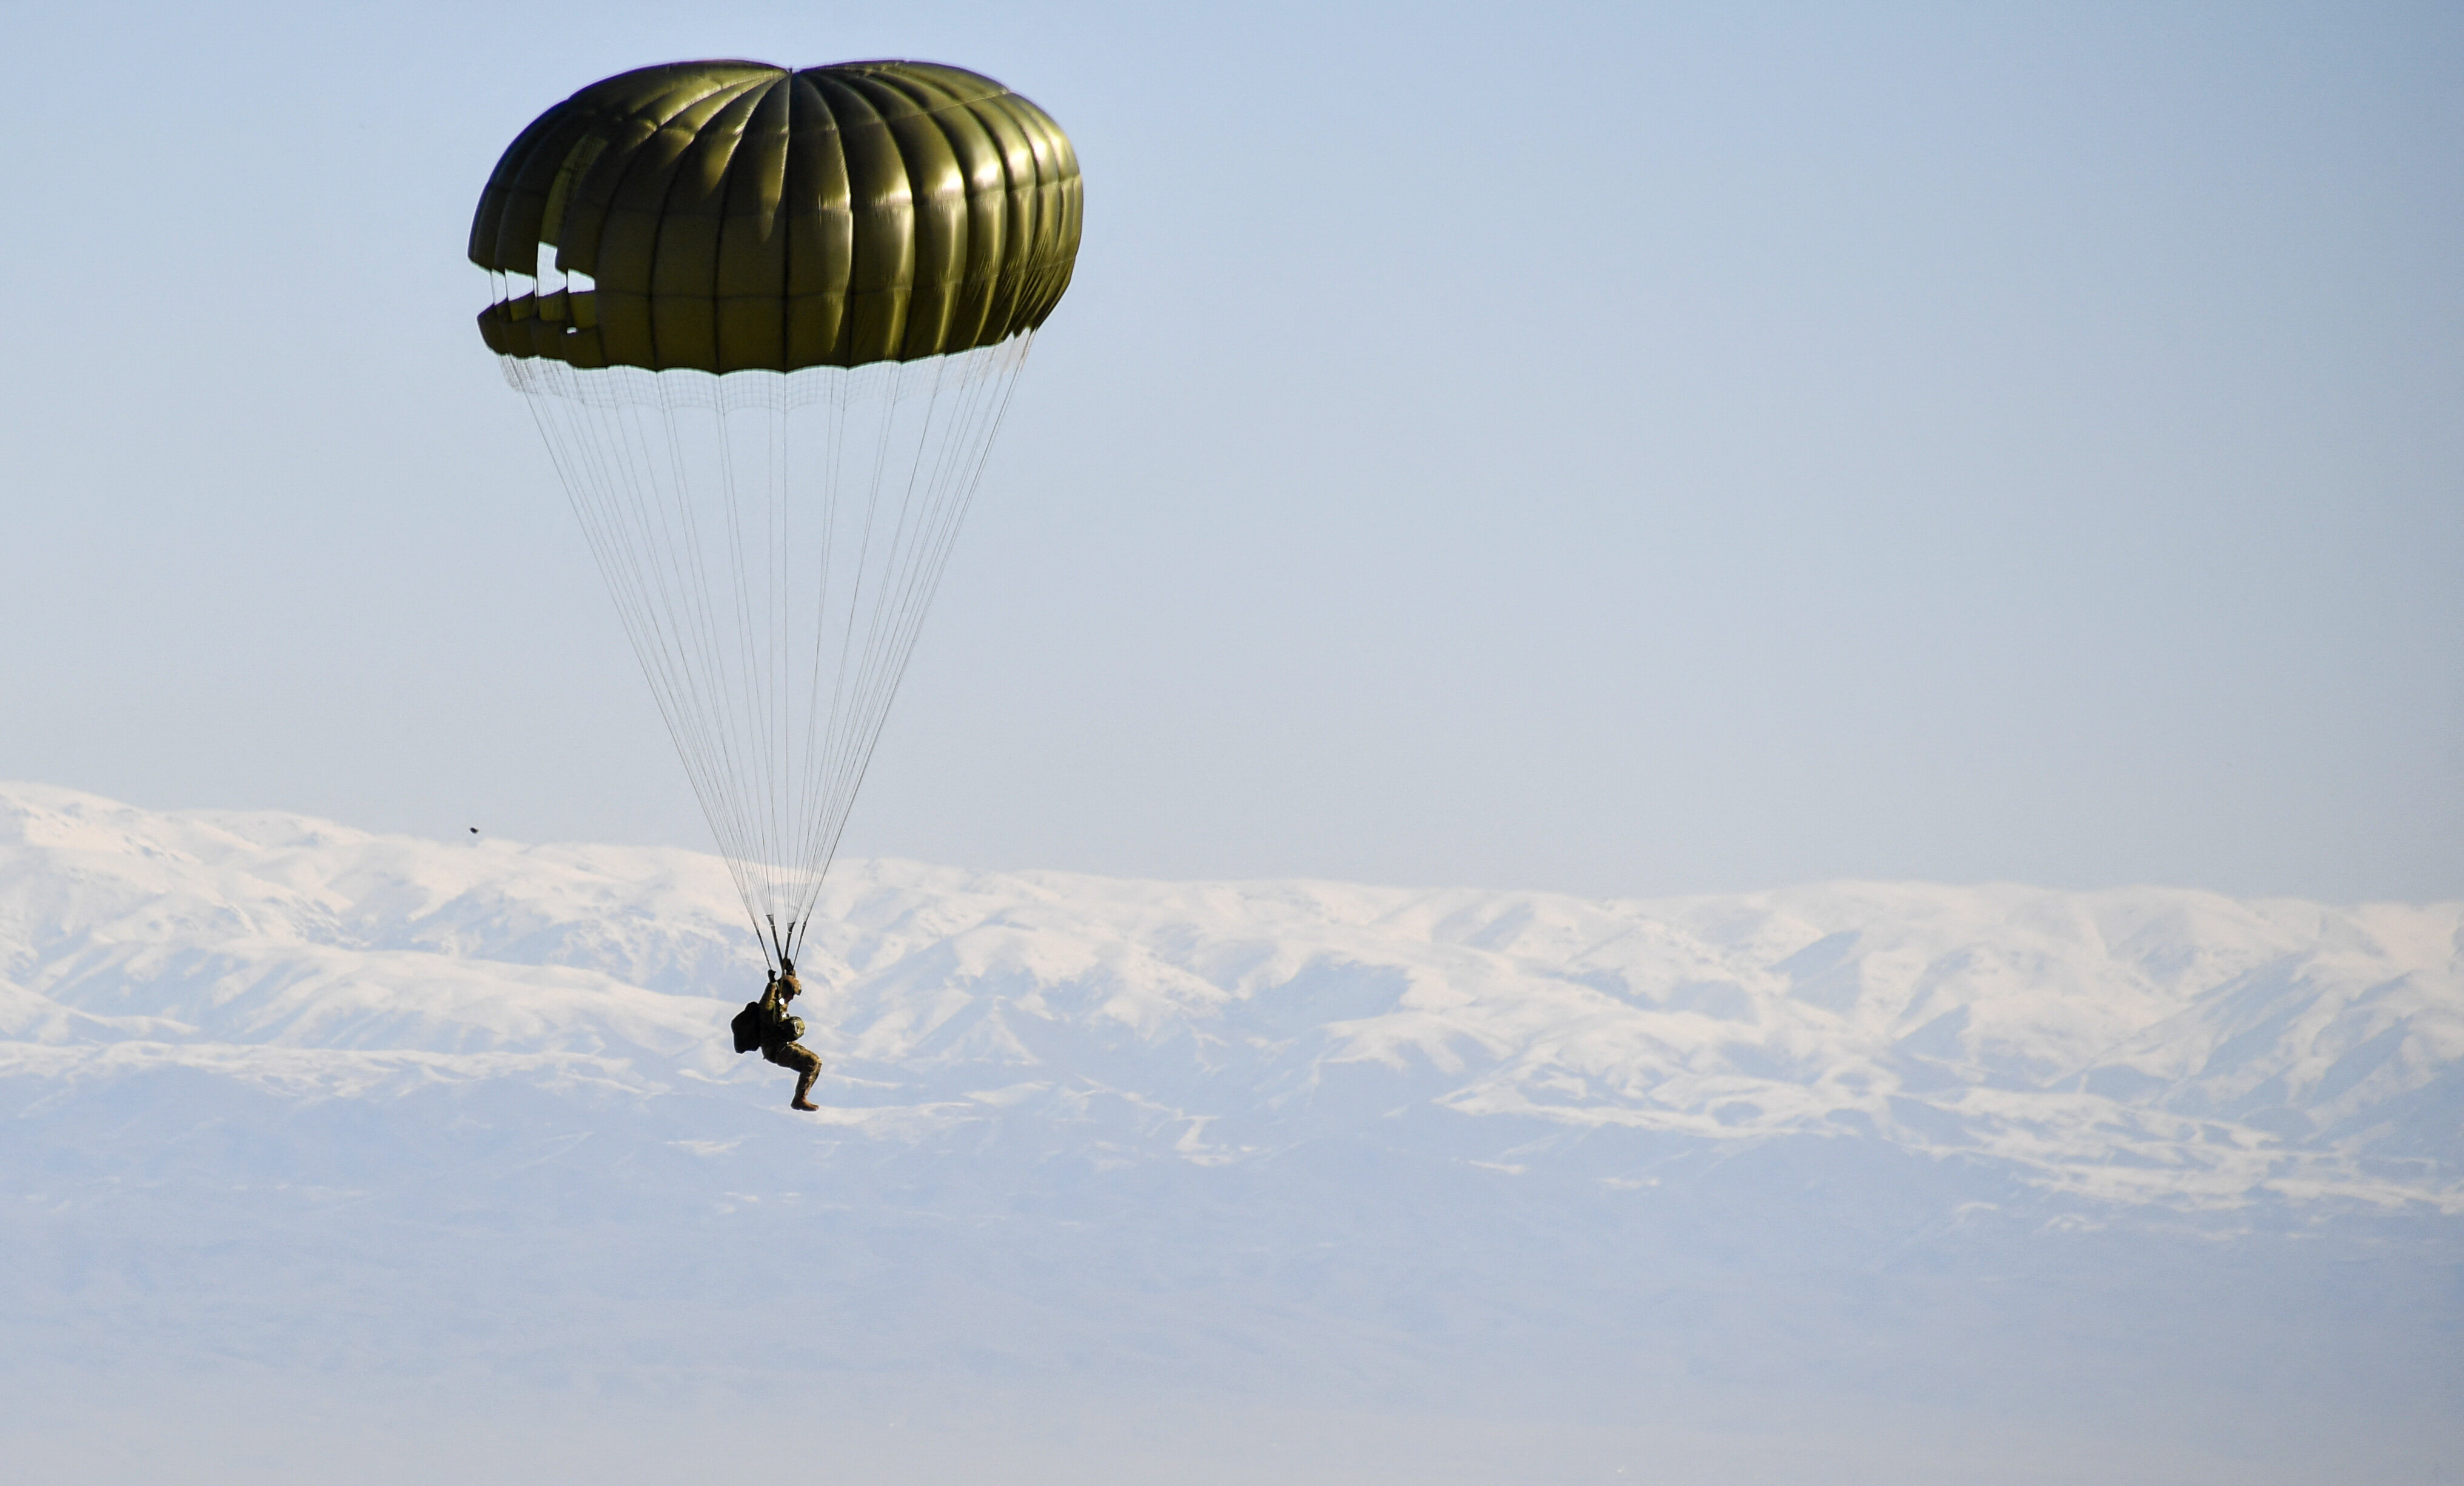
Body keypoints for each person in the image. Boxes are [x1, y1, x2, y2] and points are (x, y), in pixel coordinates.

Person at [759, 957, 825, 1111]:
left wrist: (790, 974)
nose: (792, 998)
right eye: (791, 994)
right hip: (776, 1050)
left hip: (782, 1046)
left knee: (817, 1063)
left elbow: (785, 993)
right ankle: (799, 1099)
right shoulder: (771, 1007)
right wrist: (772, 986)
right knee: (812, 1062)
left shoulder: (781, 1003)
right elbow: (765, 1006)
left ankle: (801, 1098)